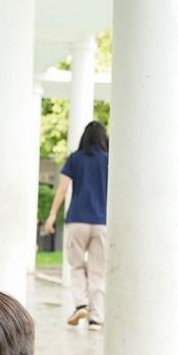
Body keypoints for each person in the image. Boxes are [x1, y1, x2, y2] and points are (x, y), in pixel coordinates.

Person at [44, 121, 110, 330]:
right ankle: (96, 319)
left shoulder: (75, 158)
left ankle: (81, 304)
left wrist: (52, 215)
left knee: (76, 265)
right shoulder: (109, 160)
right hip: (102, 222)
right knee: (98, 271)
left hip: (77, 220)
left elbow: (63, 188)